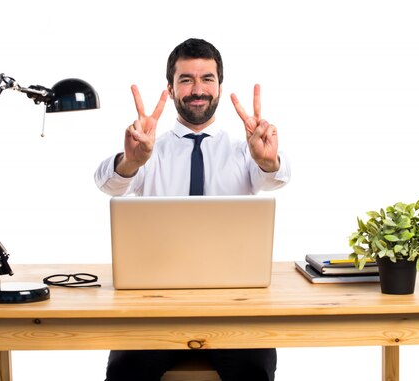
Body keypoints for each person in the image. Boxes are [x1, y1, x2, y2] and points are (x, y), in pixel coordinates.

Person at [95, 38, 290, 381]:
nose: (197, 90)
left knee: (254, 372)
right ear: (170, 89)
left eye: (207, 79)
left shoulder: (244, 149)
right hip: (154, 305)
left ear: (219, 86)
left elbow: (275, 178)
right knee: (124, 372)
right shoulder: (148, 148)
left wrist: (269, 159)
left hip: (234, 306)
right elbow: (109, 184)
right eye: (186, 79)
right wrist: (130, 161)